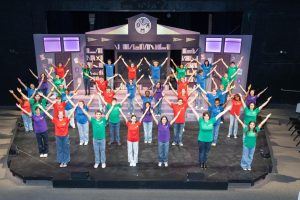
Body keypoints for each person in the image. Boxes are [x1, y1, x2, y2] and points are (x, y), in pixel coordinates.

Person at [189, 103, 230, 169]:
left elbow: (220, 114)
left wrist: (226, 109)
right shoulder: (201, 121)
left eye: (207, 116)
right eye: (205, 116)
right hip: (201, 139)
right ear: (203, 116)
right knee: (201, 152)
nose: (206, 117)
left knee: (206, 153)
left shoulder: (212, 121)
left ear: (209, 117)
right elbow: (195, 113)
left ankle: (204, 162)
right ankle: (201, 163)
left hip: (209, 140)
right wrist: (191, 106)